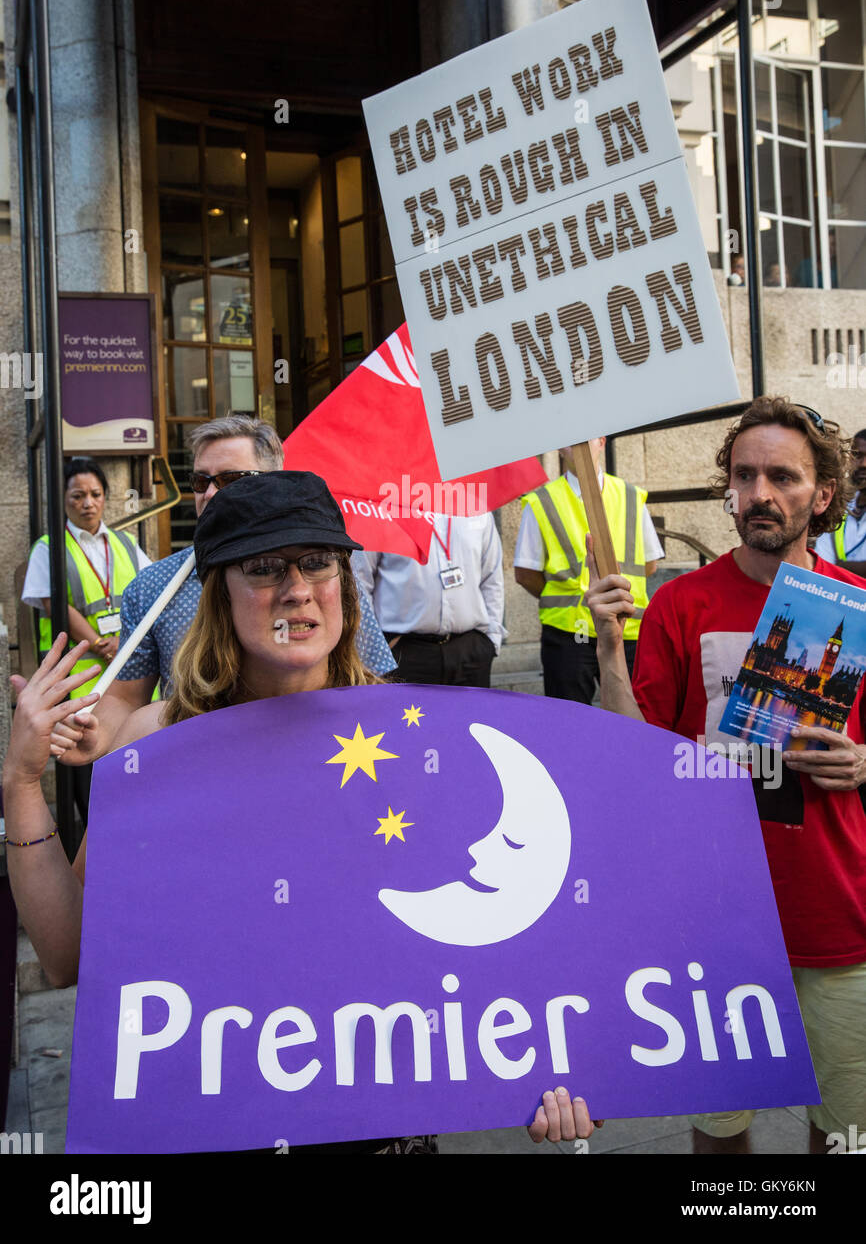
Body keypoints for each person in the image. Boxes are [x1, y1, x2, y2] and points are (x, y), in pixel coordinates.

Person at [2, 471, 597, 1153]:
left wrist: (545, 1075)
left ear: (345, 585)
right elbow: (67, 952)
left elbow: (487, 943)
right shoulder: (156, 741)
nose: (296, 588)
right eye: (263, 568)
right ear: (216, 594)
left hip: (382, 1130)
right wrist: (21, 784)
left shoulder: (417, 735)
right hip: (215, 1128)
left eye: (318, 561)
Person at [585, 397, 866, 1155]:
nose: (761, 493)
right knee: (720, 1139)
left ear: (824, 494)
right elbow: (629, 758)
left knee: (845, 1138)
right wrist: (610, 653)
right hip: (715, 920)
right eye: (745, 476)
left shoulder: (857, 606)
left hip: (838, 917)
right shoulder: (682, 603)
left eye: (783, 476)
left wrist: (864, 763)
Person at [51, 415, 395, 764]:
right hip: (201, 768)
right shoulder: (154, 585)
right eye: (201, 482)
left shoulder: (328, 578)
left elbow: (367, 679)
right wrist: (96, 736)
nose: (212, 493)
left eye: (232, 479)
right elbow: (126, 696)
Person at [20, 456, 151, 820]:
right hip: (80, 686)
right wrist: (98, 642)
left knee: (132, 775)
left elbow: (151, 595)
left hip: (128, 679)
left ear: (105, 497)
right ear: (63, 500)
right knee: (88, 785)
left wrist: (124, 640)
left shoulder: (125, 545)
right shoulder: (49, 548)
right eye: (78, 495)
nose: (87, 503)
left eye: (95, 494)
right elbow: (53, 602)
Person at [515, 438, 663, 707]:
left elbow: (649, 564)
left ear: (602, 442)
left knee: (635, 724)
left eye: (589, 435)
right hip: (568, 634)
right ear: (559, 447)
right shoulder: (541, 501)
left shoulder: (631, 496)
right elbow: (525, 573)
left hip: (628, 630)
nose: (580, 442)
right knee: (569, 728)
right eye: (571, 437)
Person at [352, 512, 505, 688]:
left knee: (472, 716)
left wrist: (491, 642)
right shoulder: (376, 513)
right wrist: (375, 653)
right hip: (403, 653)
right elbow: (359, 584)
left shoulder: (477, 512)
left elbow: (492, 580)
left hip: (470, 652)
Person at [814, 427, 866, 577]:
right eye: (857, 455)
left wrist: (839, 566)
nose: (863, 464)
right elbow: (822, 566)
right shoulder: (838, 504)